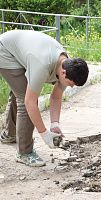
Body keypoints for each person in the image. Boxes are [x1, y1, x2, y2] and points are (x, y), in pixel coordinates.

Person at [0, 30, 89, 167]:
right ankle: (24, 152)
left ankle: (9, 134)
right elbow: (29, 103)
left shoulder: (67, 63)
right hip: (5, 51)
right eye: (71, 84)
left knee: (22, 90)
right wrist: (44, 134)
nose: (71, 87)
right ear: (63, 73)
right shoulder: (42, 65)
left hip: (23, 50)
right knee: (26, 98)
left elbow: (56, 97)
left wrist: (54, 124)